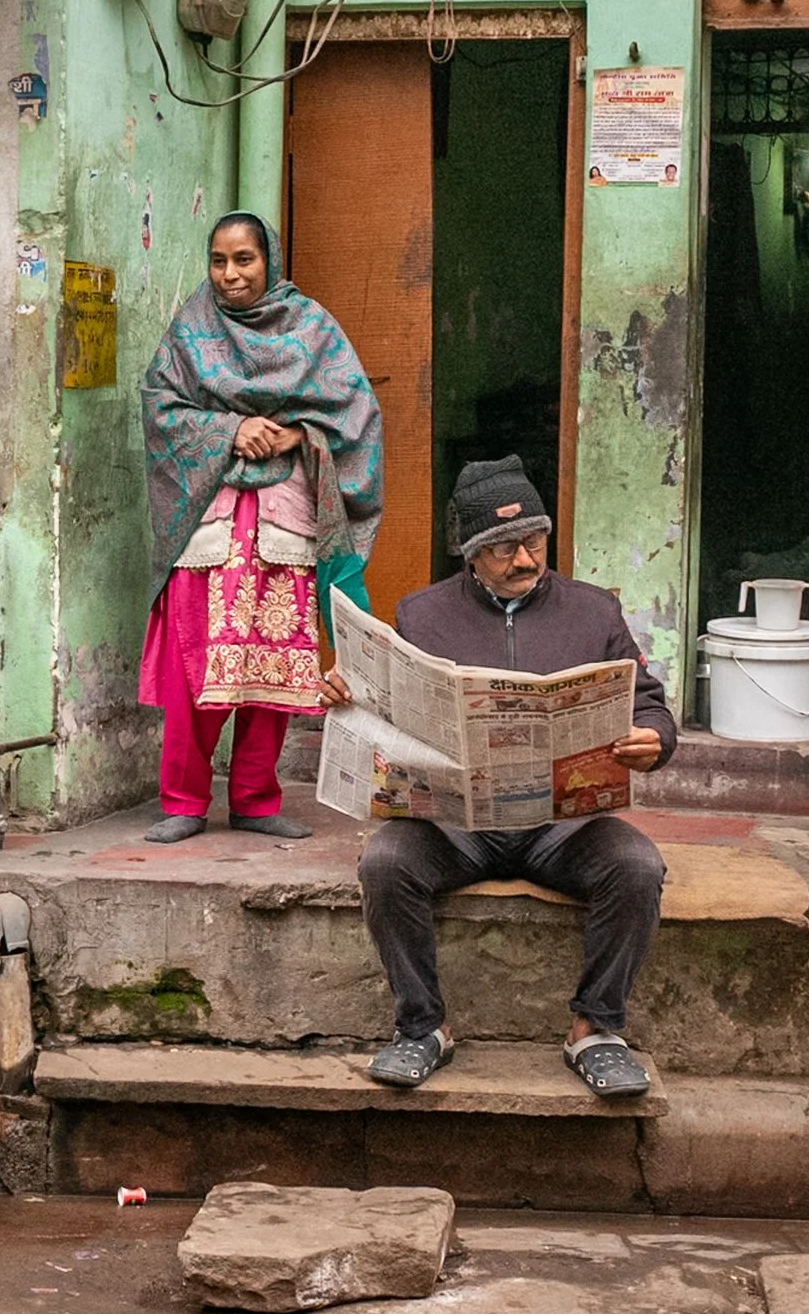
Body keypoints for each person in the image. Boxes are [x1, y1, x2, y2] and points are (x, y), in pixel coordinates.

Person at [321, 456, 673, 1098]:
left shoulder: (594, 612)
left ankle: (595, 1030)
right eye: (503, 548)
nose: (524, 560)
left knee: (638, 867)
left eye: (534, 541)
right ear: (471, 555)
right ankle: (422, 1029)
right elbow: (386, 704)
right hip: (456, 826)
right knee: (384, 863)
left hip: (562, 826)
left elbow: (645, 700)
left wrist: (656, 738)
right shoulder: (422, 615)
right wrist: (352, 695)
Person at [137, 211, 383, 845]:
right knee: (195, 666)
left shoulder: (312, 327)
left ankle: (254, 798)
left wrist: (299, 432)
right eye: (219, 261)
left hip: (285, 520)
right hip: (211, 524)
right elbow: (160, 404)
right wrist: (230, 430)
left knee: (276, 664)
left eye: (244, 259)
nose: (230, 274)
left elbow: (356, 412)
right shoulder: (191, 328)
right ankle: (184, 803)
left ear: (268, 260)